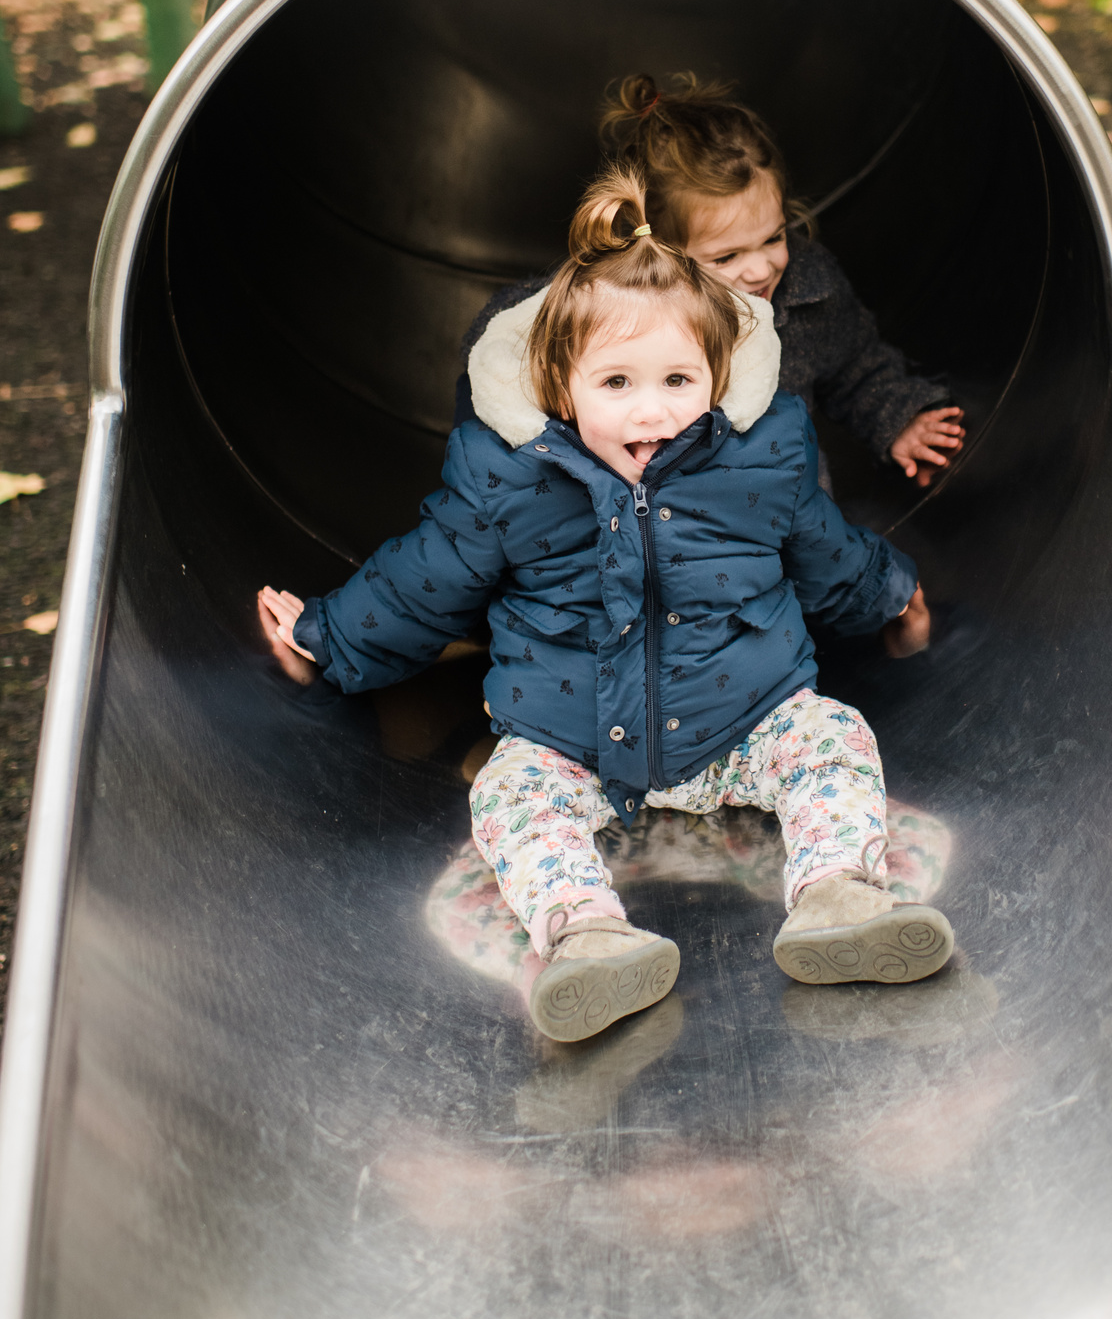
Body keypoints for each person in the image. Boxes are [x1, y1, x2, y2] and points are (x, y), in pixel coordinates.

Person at [259, 170, 954, 1043]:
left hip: (741, 723)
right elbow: (422, 583)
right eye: (617, 383)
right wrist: (324, 636)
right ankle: (586, 936)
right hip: (576, 743)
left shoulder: (760, 457)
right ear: (561, 382)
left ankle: (837, 898)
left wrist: (891, 595)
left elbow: (826, 551)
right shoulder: (509, 479)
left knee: (833, 736)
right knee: (511, 795)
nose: (653, 410)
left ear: (718, 374)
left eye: (677, 378)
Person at [456, 72, 964, 488]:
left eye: (772, 237)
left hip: (780, 526)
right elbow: (505, 330)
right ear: (658, 252)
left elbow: (856, 365)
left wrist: (898, 417)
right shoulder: (620, 300)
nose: (761, 268)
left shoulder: (808, 291)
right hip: (655, 534)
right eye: (727, 256)